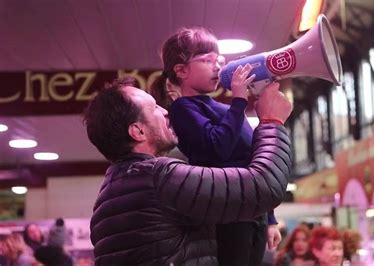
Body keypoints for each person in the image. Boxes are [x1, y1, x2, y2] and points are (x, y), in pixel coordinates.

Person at [84, 76, 292, 265]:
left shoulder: (104, 202)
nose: (166, 111)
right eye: (154, 108)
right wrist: (272, 122)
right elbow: (264, 187)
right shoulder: (159, 178)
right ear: (138, 131)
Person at [153, 26, 281, 266]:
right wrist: (239, 100)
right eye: (207, 60)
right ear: (181, 70)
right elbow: (217, 149)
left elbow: (254, 160)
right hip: (227, 209)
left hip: (253, 209)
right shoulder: (184, 108)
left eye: (219, 60)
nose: (217, 66)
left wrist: (270, 217)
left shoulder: (225, 109)